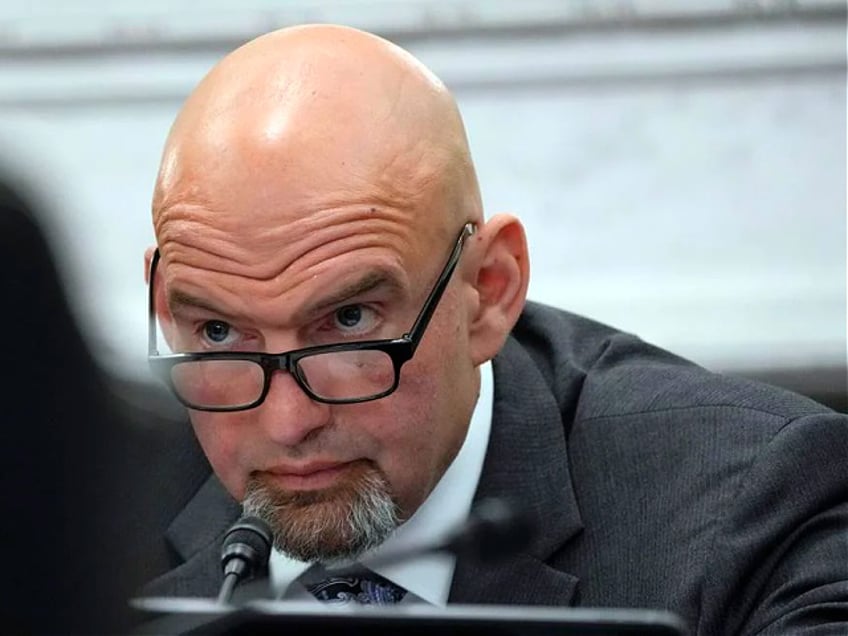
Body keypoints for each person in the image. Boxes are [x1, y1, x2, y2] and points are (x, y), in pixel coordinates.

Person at [136, 23, 847, 635]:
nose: (287, 423)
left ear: (488, 291)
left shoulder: (751, 508)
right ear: (166, 302)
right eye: (221, 333)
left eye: (349, 323)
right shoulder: (65, 513)